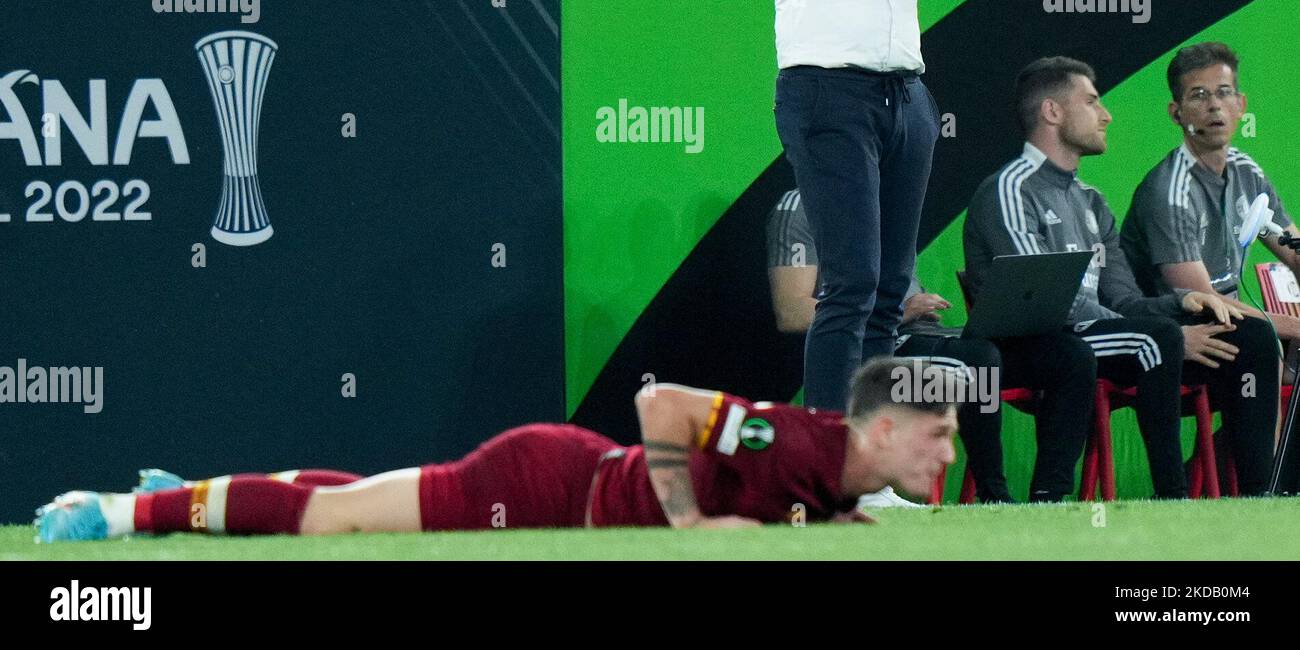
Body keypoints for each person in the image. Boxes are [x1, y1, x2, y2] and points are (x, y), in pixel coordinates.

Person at [702, 0, 1164, 413]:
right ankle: (834, 464)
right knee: (852, 283)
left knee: (890, 287)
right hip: (826, 92)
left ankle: (874, 465)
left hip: (906, 98)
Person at [36, 358, 957, 541]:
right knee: (334, 522)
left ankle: (190, 491)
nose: (950, 448)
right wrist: (690, 522)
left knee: (366, 498)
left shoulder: (849, 480)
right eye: (937, 431)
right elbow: (662, 404)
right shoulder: (782, 433)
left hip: (577, 481)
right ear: (879, 429)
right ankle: (120, 513)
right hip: (546, 486)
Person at [964, 56, 1277, 497]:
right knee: (1159, 340)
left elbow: (1124, 301)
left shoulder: (1092, 201)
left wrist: (1178, 303)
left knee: (1250, 336)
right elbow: (1043, 302)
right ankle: (1172, 497)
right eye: (1092, 101)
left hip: (1097, 334)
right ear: (1052, 112)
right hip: (1033, 341)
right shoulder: (1011, 188)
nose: (1106, 114)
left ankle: (1259, 494)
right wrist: (1168, 329)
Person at [768, 188, 1094, 503]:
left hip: (931, 336)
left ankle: (1049, 497)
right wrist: (895, 312)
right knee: (978, 361)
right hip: (883, 348)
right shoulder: (801, 204)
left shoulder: (886, 204)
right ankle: (994, 495)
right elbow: (791, 311)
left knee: (1069, 354)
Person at [1121, 42, 1300, 375]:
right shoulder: (1168, 192)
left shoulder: (1247, 171)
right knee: (1262, 344)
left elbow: (1294, 250)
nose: (1214, 106)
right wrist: (1291, 326)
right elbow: (1202, 301)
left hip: (1235, 321)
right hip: (1179, 331)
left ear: (1240, 104)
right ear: (1177, 113)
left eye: (1224, 93)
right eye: (1199, 95)